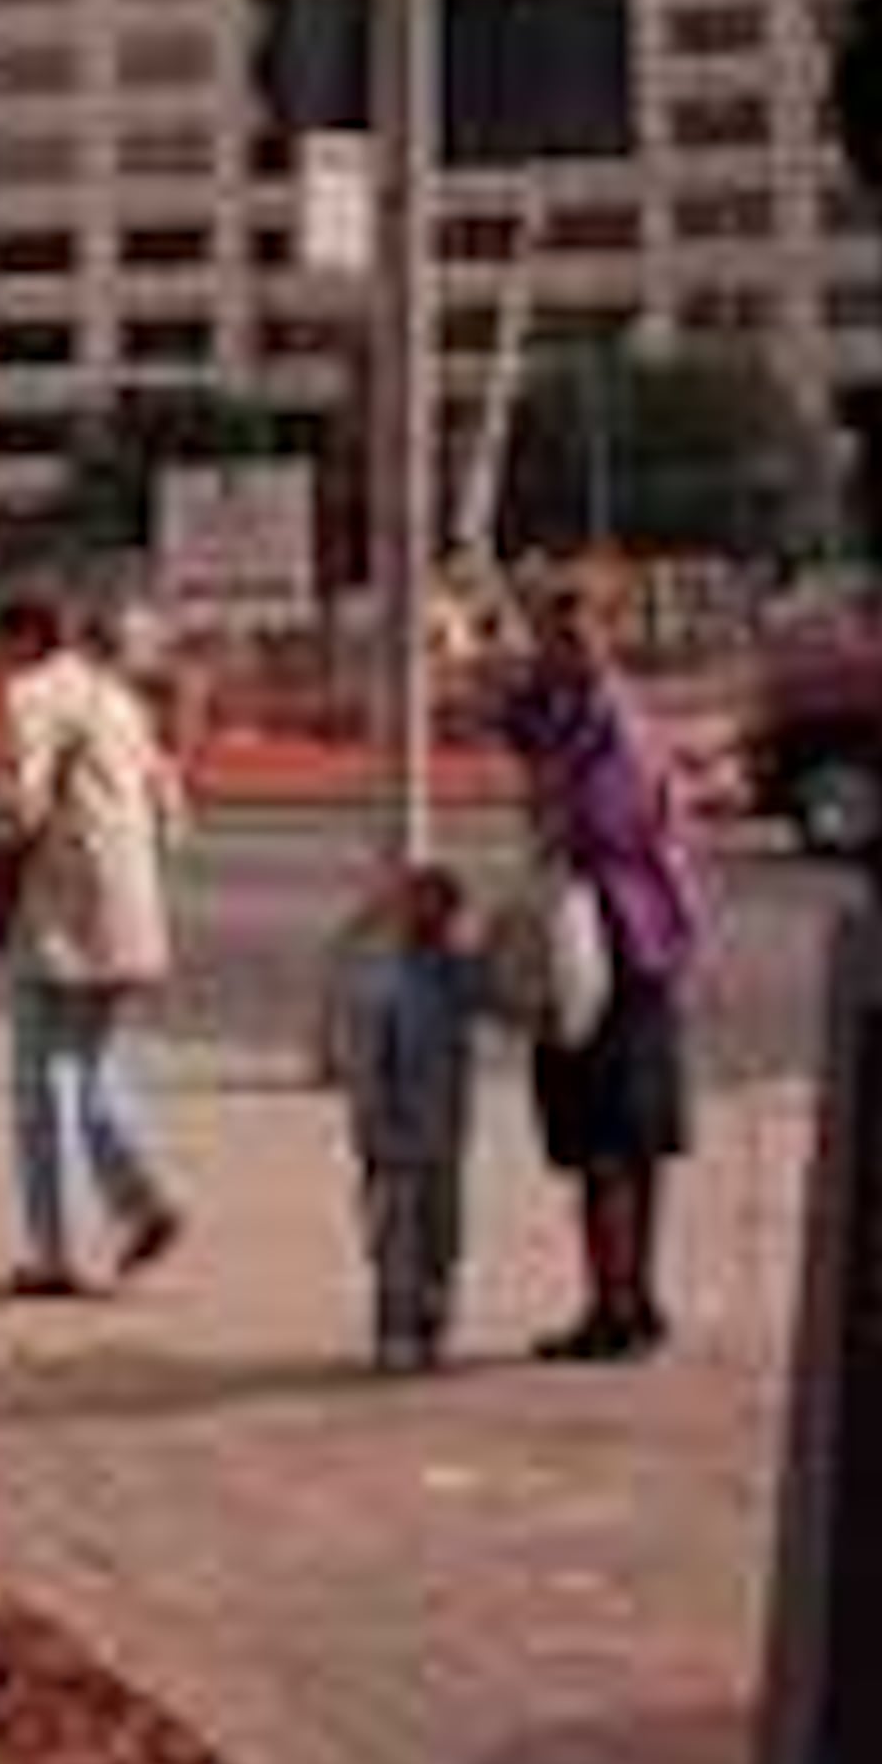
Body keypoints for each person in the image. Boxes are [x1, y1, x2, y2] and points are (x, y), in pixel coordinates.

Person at [495, 577, 706, 1362]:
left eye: (572, 633)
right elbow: (511, 725)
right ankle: (629, 1299)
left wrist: (551, 809)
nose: (558, 648)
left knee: (608, 1141)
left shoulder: (606, 725)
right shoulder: (577, 711)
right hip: (629, 945)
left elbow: (600, 828)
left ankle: (615, 1309)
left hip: (610, 947)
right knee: (625, 1140)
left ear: (604, 637)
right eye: (551, 634)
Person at [0, 590, 190, 1294]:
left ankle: (58, 1254)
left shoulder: (32, 694)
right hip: (131, 915)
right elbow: (174, 813)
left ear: (24, 639)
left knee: (44, 1086)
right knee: (92, 1067)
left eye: (1, 643)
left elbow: (20, 803)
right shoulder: (120, 700)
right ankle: (145, 1204)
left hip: (62, 918)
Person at [331, 860, 492, 1373]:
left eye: (445, 911)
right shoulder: (383, 976)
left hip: (444, 1132)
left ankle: (432, 1323)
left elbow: (504, 990)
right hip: (394, 1136)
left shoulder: (458, 971)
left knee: (442, 1236)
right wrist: (368, 1125)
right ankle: (396, 1330)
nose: (436, 920)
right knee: (395, 1242)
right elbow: (364, 1059)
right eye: (421, 906)